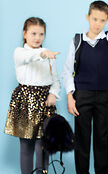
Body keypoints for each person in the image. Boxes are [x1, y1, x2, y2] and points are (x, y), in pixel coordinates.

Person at [62, 0, 108, 174]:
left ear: (106, 21)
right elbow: (67, 71)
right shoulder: (77, 41)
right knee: (82, 140)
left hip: (103, 97)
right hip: (81, 96)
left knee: (102, 140)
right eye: (95, 19)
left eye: (102, 20)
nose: (98, 24)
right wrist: (70, 97)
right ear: (88, 17)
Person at [4, 17, 60, 174]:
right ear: (24, 34)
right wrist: (43, 53)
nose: (37, 38)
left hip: (45, 103)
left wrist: (53, 93)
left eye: (41, 34)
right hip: (25, 101)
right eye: (34, 33)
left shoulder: (49, 55)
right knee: (26, 146)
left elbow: (55, 80)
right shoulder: (20, 52)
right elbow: (30, 57)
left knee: (43, 145)